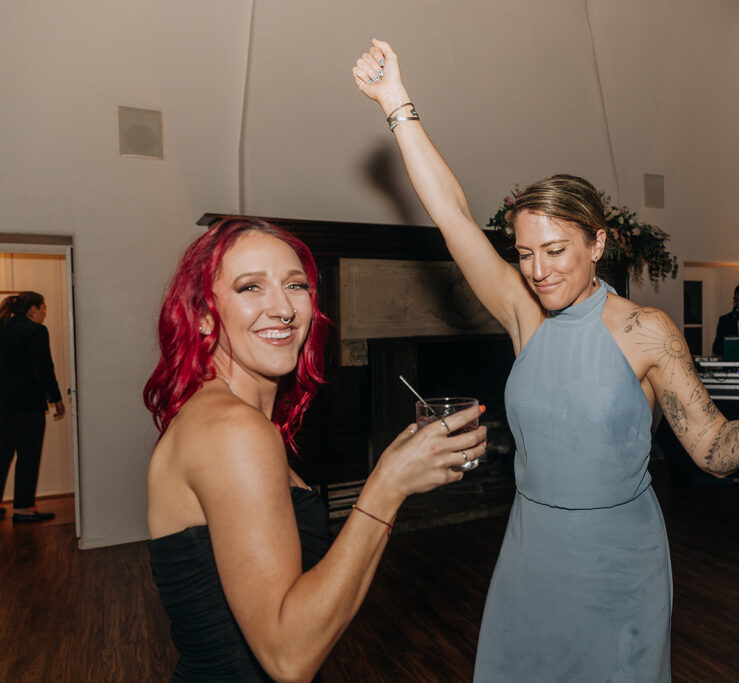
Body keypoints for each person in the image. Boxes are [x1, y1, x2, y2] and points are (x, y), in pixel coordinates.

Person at [353, 40, 739, 681]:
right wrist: (397, 105)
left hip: (618, 561)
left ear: (598, 243)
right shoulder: (523, 313)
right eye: (525, 253)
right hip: (530, 554)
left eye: (556, 250)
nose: (537, 270)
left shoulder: (647, 331)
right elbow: (451, 213)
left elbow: (716, 450)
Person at [144, 217, 487, 681]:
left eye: (295, 285)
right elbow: (289, 657)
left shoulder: (223, 417)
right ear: (204, 315)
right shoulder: (233, 431)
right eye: (250, 288)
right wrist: (386, 486)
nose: (283, 308)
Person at [0, 291, 66, 523]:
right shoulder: (36, 331)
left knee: (2, 454)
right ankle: (24, 509)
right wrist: (56, 398)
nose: (44, 313)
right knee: (28, 455)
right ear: (33, 309)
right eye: (43, 308)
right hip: (28, 405)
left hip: (3, 405)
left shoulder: (3, 328)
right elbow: (44, 369)